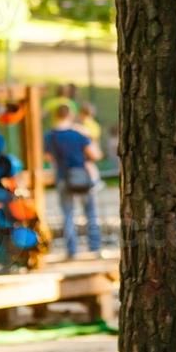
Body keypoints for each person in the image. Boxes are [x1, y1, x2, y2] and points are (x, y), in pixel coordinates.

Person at [44, 103, 103, 259]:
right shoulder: (78, 134)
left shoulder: (50, 136)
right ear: (70, 115)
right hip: (82, 176)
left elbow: (48, 157)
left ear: (56, 115)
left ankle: (72, 250)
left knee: (68, 215)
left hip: (63, 177)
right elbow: (95, 154)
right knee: (90, 213)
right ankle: (94, 247)